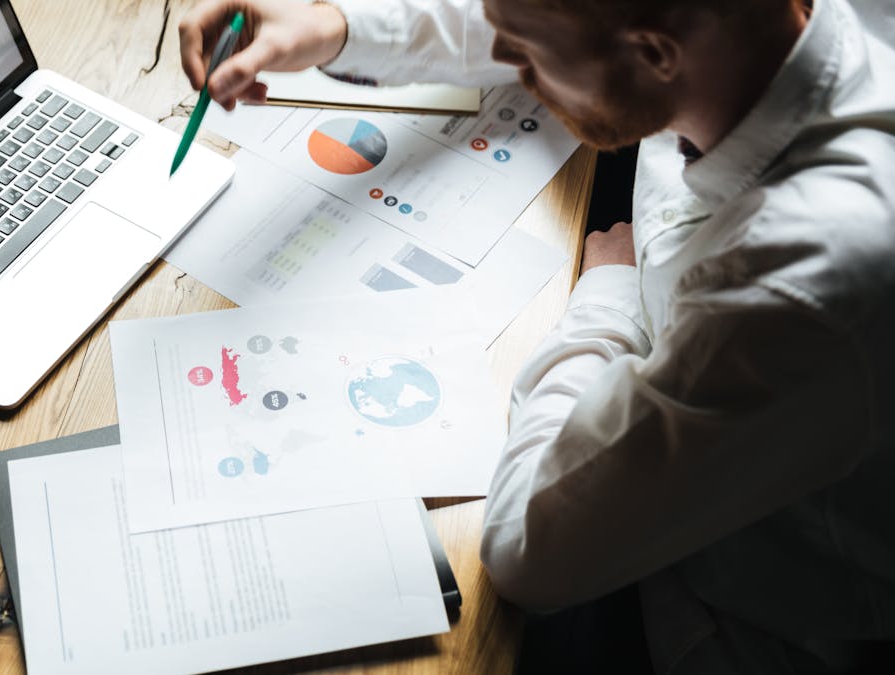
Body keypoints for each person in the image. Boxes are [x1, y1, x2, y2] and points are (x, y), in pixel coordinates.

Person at [179, 1, 895, 673]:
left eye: (526, 60)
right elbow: (548, 21)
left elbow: (529, 553)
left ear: (654, 52)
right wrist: (333, 26)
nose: (516, 70)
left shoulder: (792, 282)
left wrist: (608, 298)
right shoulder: (746, 41)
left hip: (718, 607)